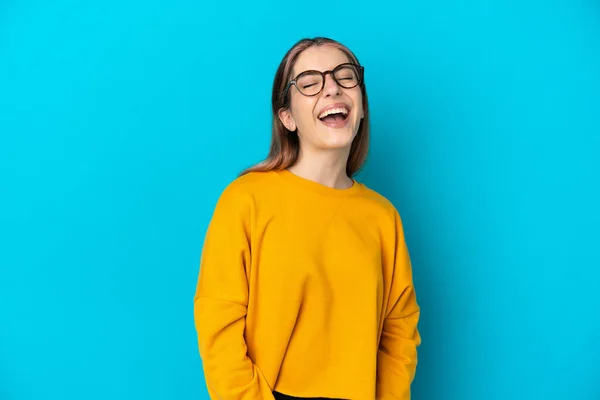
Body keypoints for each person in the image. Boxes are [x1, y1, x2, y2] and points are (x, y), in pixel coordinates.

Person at [193, 37, 421, 400]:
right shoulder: (247, 199)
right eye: (311, 82)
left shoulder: (382, 217)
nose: (332, 88)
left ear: (361, 107)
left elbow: (400, 330)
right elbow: (218, 322)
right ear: (287, 117)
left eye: (345, 77)